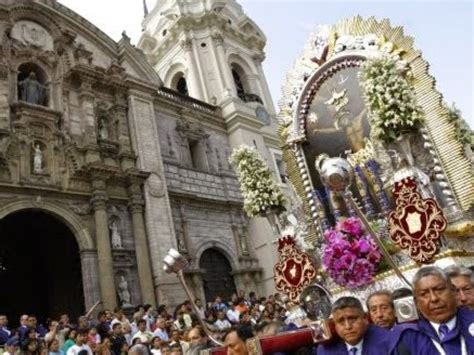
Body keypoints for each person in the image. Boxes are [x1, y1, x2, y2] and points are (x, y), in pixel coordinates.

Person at [390, 266, 474, 354]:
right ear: (417, 303)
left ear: (453, 291)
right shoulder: (409, 338)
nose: (434, 298)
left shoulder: (471, 320)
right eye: (424, 294)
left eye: (439, 290)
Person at [317, 296, 389, 354]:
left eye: (352, 319)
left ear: (365, 318)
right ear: (335, 325)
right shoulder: (325, 350)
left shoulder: (387, 341)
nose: (348, 326)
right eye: (341, 321)